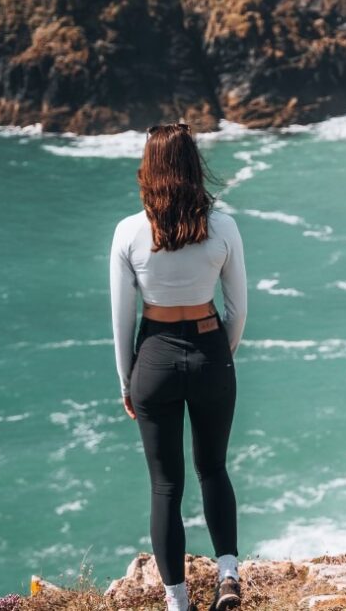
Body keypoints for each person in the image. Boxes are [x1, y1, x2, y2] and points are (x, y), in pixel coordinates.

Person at [110, 123, 249, 611]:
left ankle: (177, 600)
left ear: (149, 167)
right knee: (213, 468)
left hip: (155, 357)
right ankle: (228, 573)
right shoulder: (223, 227)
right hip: (211, 350)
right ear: (193, 165)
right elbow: (239, 310)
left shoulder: (129, 231)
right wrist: (219, 356)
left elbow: (122, 319)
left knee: (166, 484)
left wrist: (127, 380)